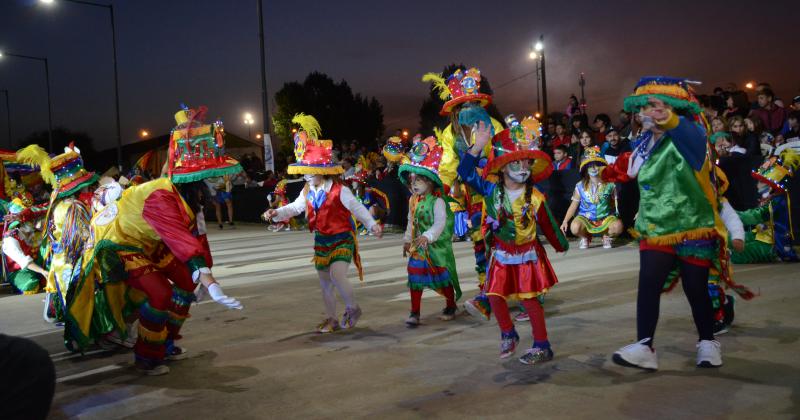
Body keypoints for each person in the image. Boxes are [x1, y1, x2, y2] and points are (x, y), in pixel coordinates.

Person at [607, 77, 735, 370]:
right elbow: (628, 171)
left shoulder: (690, 137)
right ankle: (644, 347)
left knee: (696, 288)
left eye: (658, 107)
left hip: (692, 226)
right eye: (647, 107)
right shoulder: (642, 145)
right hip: (655, 227)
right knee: (648, 284)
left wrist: (672, 120)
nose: (649, 113)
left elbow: (691, 136)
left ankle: (707, 342)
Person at [458, 116, 568, 364]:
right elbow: (464, 172)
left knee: (529, 300)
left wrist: (561, 244)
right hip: (500, 254)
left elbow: (549, 224)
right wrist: (477, 147)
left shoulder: (535, 196)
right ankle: (508, 333)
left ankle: (542, 345)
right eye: (516, 163)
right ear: (503, 167)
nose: (522, 168)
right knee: (494, 294)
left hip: (527, 255)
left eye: (526, 163)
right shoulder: (490, 189)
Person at [264, 114, 382, 333]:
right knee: (325, 282)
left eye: (309, 172)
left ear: (321, 170)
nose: (305, 175)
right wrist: (276, 212)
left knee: (337, 276)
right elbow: (296, 208)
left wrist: (372, 223)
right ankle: (331, 319)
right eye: (304, 171)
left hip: (342, 238)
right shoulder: (307, 189)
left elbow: (357, 208)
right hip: (321, 240)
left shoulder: (340, 190)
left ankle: (353, 308)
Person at [421, 67, 503, 322]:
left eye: (473, 103)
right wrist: (439, 193)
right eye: (462, 105)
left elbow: (505, 156)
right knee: (480, 242)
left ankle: (511, 291)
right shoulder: (449, 134)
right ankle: (487, 292)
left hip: (496, 191)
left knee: (501, 241)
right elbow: (446, 168)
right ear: (455, 110)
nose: (468, 109)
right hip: (472, 194)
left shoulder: (494, 126)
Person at [17, 143, 97, 323]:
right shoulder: (74, 207)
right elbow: (83, 240)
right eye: (85, 186)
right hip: (73, 263)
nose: (88, 189)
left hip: (61, 262)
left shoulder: (59, 203)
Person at [398, 136, 460, 327]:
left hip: (436, 246)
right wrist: (408, 239)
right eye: (412, 179)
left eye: (420, 179)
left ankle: (451, 305)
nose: (414, 183)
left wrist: (428, 236)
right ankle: (414, 312)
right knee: (415, 276)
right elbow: (411, 221)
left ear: (431, 182)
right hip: (419, 246)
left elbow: (440, 223)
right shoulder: (413, 200)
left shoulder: (438, 201)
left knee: (442, 277)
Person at [561, 147, 623, 249]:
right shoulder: (580, 186)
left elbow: (614, 204)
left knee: (618, 226)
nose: (594, 168)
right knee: (575, 227)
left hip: (605, 218)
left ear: (602, 167)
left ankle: (606, 236)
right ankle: (585, 237)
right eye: (590, 166)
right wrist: (565, 221)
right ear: (586, 168)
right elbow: (573, 205)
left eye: (597, 165)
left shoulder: (611, 185)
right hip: (586, 218)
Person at [2, 198, 48, 294]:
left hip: (35, 265)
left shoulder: (32, 233)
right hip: (19, 270)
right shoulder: (10, 239)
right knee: (31, 285)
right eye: (29, 221)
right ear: (20, 225)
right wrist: (42, 271)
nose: (33, 224)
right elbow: (23, 260)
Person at [714, 132, 760, 211]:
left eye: (723, 141)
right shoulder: (723, 161)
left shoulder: (734, 156)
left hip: (742, 199)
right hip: (743, 198)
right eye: (719, 145)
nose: (723, 146)